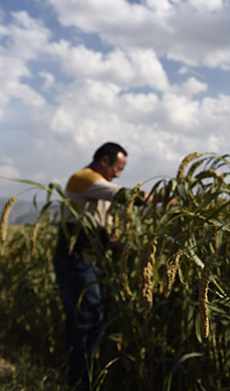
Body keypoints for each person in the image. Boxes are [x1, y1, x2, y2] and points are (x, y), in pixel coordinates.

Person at [53, 142, 139, 388]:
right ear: (104, 160)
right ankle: (80, 380)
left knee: (84, 317)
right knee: (87, 317)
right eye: (118, 168)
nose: (119, 174)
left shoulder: (95, 187)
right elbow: (123, 196)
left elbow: (97, 226)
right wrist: (165, 197)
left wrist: (114, 244)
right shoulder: (84, 179)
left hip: (86, 261)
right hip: (75, 261)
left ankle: (79, 375)